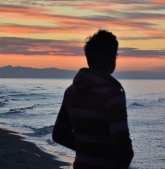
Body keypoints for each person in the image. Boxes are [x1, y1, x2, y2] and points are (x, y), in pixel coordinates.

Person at [52, 29, 134, 169]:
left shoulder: (71, 92)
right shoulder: (113, 95)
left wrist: (85, 148)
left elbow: (59, 134)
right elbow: (120, 142)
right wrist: (126, 156)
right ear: (112, 59)